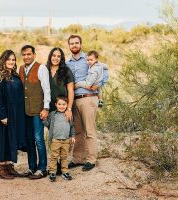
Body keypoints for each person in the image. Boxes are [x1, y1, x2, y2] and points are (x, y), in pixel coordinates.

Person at [66, 35, 109, 171]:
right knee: (78, 131)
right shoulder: (68, 63)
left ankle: (91, 159)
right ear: (69, 46)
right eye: (72, 43)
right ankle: (78, 158)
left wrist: (99, 83)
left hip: (89, 98)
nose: (74, 45)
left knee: (90, 130)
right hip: (74, 101)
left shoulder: (89, 59)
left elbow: (105, 70)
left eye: (77, 43)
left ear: (81, 44)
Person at [0, 50, 27, 179]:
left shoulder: (15, 76)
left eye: (13, 60)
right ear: (3, 60)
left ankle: (9, 167)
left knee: (11, 139)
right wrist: (2, 115)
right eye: (9, 59)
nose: (11, 62)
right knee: (3, 139)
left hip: (15, 113)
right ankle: (0, 167)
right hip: (3, 114)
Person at [18, 45, 51, 179]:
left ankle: (42, 168)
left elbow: (46, 89)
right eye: (24, 54)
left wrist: (46, 108)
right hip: (25, 110)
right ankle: (32, 167)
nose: (26, 57)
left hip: (38, 110)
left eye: (29, 54)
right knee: (29, 140)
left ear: (34, 55)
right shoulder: (21, 68)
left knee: (38, 139)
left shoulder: (41, 68)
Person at [43, 96, 76, 182]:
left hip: (66, 140)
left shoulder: (69, 115)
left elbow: (72, 127)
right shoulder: (53, 114)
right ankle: (52, 172)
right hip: (55, 140)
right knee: (54, 157)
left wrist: (72, 136)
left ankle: (65, 172)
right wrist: (43, 119)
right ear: (56, 105)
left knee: (64, 157)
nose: (61, 106)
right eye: (59, 104)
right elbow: (48, 124)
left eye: (64, 104)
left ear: (67, 105)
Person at [46, 47, 74, 120]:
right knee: (52, 129)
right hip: (48, 108)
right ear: (50, 56)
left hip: (62, 108)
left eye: (58, 56)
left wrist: (69, 109)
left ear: (61, 58)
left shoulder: (66, 71)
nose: (56, 58)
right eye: (54, 55)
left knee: (62, 129)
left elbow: (71, 90)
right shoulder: (45, 70)